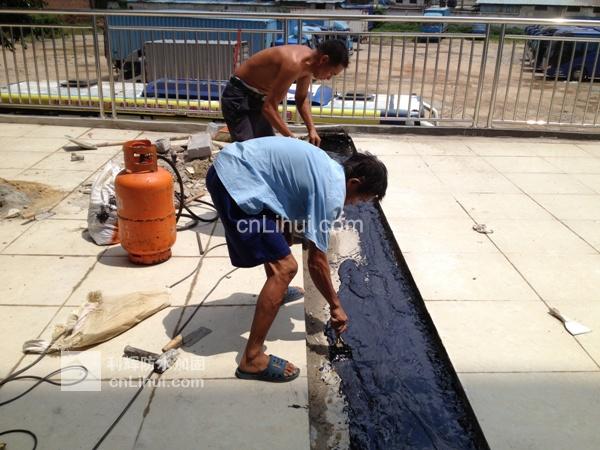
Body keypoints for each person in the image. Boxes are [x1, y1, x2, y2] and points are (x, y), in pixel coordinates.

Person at [206, 136, 387, 382]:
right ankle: (252, 359)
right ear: (354, 183)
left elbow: (286, 185)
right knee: (286, 268)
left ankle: (277, 293)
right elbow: (316, 261)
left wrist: (286, 229)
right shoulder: (332, 193)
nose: (354, 205)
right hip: (235, 182)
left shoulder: (330, 167)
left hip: (233, 169)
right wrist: (335, 305)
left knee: (283, 241)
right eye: (360, 199)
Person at [220, 39, 350, 147]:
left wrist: (312, 129)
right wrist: (291, 138)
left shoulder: (309, 65)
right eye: (331, 73)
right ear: (324, 60)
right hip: (238, 96)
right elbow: (269, 108)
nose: (328, 78)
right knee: (247, 150)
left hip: (258, 99)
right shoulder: (294, 64)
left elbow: (301, 98)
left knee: (268, 148)